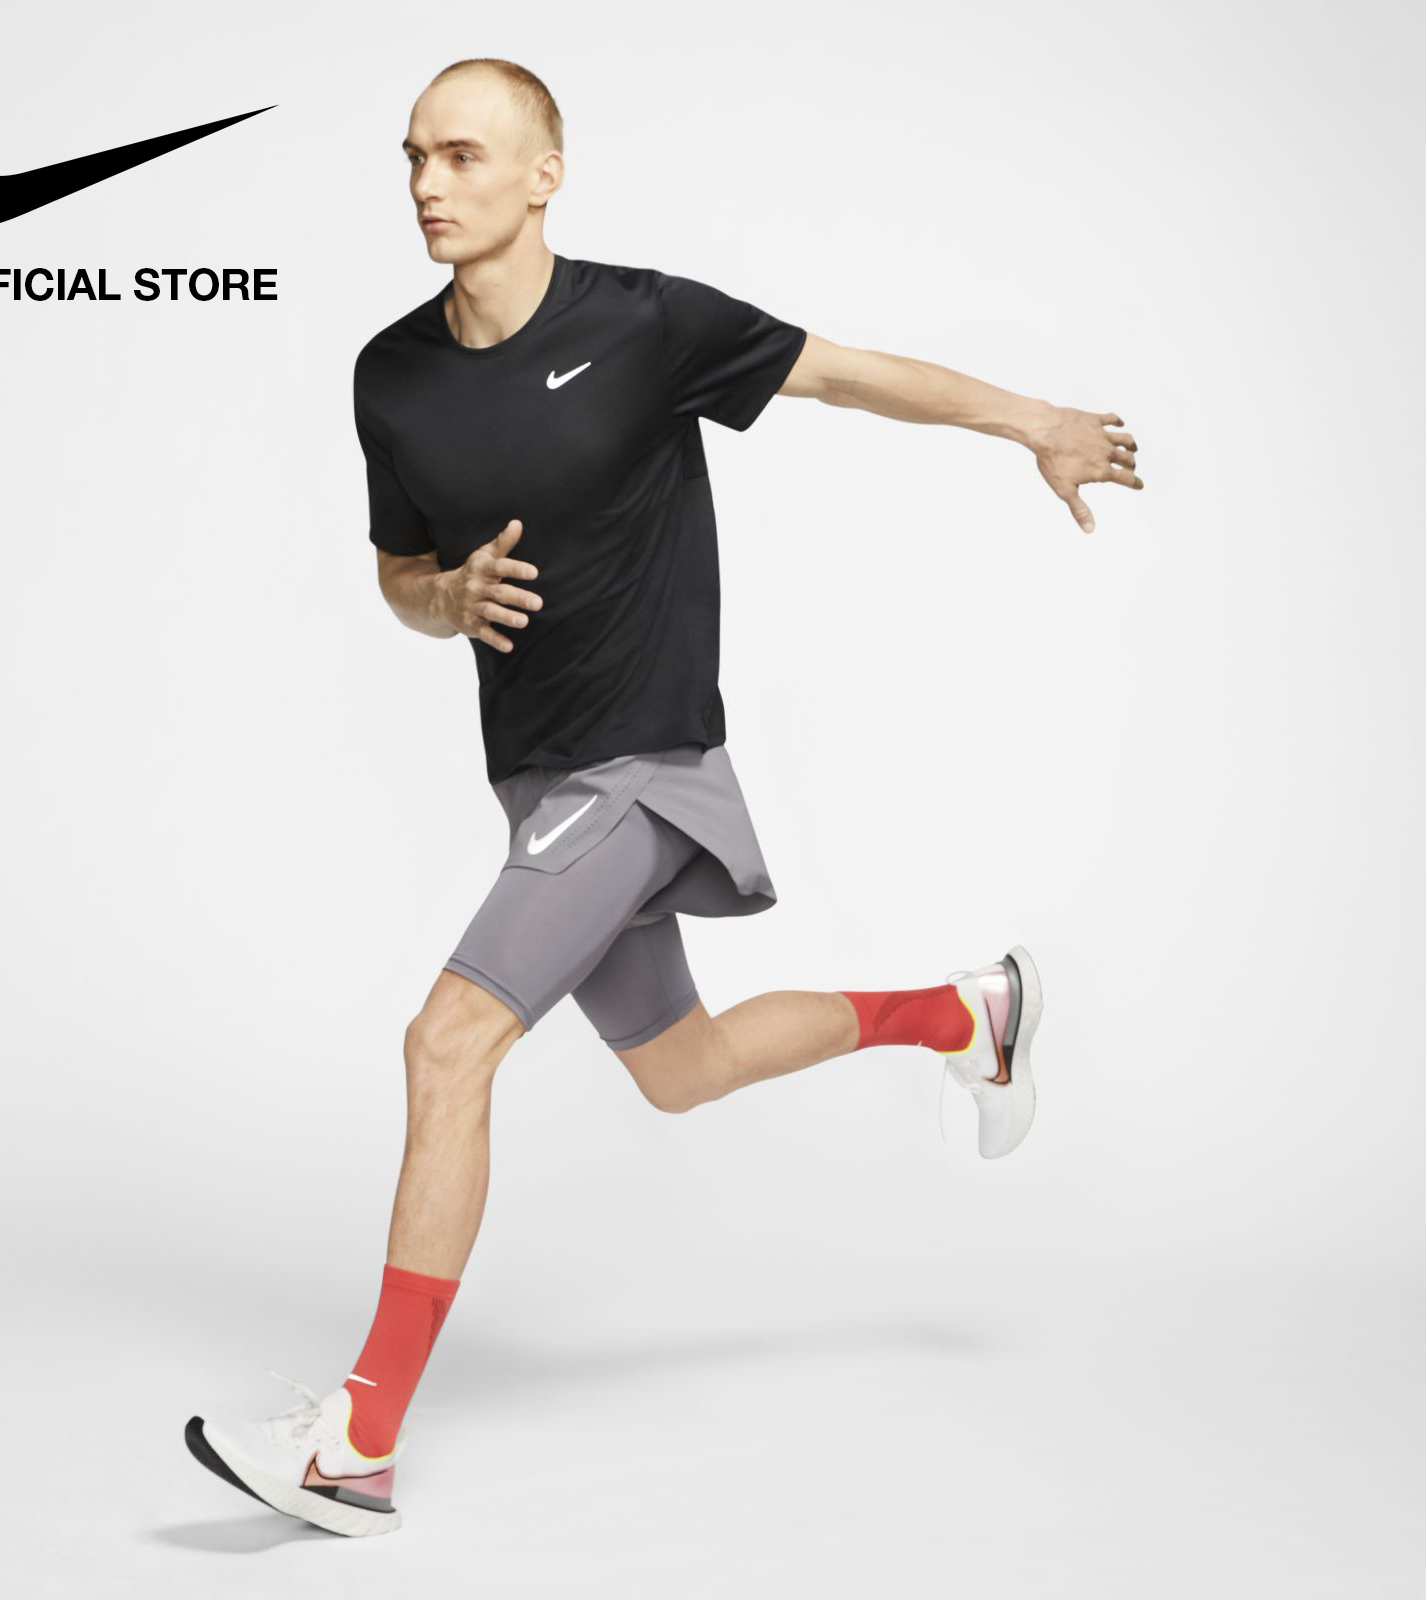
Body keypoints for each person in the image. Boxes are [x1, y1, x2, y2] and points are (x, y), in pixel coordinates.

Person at [185, 56, 1141, 1538]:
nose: (429, 184)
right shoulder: (391, 374)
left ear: (544, 175)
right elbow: (400, 580)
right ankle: (966, 1016)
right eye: (413, 157)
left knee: (446, 1045)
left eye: (462, 155)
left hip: (647, 764)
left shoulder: (644, 325)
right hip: (540, 781)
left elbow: (847, 372)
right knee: (683, 1069)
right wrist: (448, 598)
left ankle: (356, 1446)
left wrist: (1036, 422)